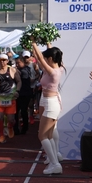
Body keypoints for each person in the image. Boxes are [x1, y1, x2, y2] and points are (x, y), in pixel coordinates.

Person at [31, 45, 64, 174]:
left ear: (50, 59)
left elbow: (40, 58)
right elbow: (39, 58)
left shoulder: (54, 71)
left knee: (42, 135)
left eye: (46, 58)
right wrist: (47, 42)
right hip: (47, 101)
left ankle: (55, 163)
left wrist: (34, 43)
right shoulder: (58, 67)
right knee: (49, 135)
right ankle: (54, 159)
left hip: (51, 103)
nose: (43, 60)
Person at [0, 54, 21, 144]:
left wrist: (17, 91)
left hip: (11, 98)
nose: (2, 62)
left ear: (7, 61)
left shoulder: (12, 70)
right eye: (1, 60)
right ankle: (2, 135)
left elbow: (19, 81)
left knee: (11, 119)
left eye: (4, 60)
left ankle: (10, 127)